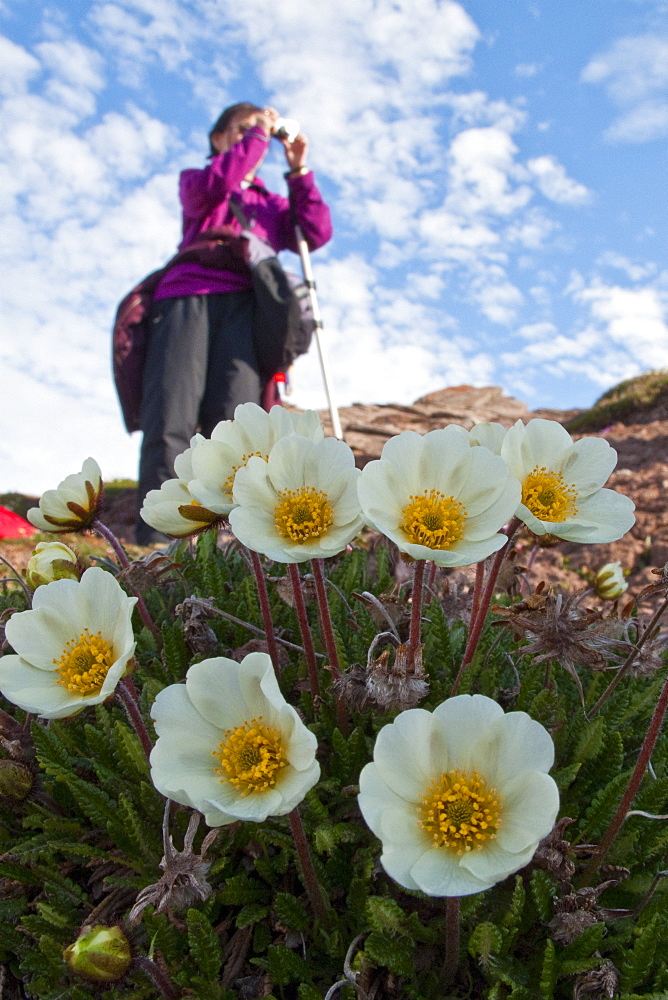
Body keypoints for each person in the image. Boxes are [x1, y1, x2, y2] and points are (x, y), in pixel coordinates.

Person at [136, 102, 332, 544]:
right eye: (240, 131)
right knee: (172, 411)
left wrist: (299, 172)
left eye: (256, 131)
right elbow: (217, 182)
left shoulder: (266, 202)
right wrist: (259, 135)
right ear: (218, 139)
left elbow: (314, 231)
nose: (252, 137)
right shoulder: (200, 180)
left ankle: (236, 536)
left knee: (237, 418)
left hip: (246, 304)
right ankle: (157, 536)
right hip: (188, 294)